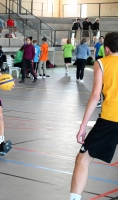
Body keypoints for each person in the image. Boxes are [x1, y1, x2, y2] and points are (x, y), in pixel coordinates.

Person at [69, 32, 118, 200]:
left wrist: (83, 126)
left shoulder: (102, 63)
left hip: (111, 119)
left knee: (82, 159)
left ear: (106, 48)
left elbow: (96, 95)